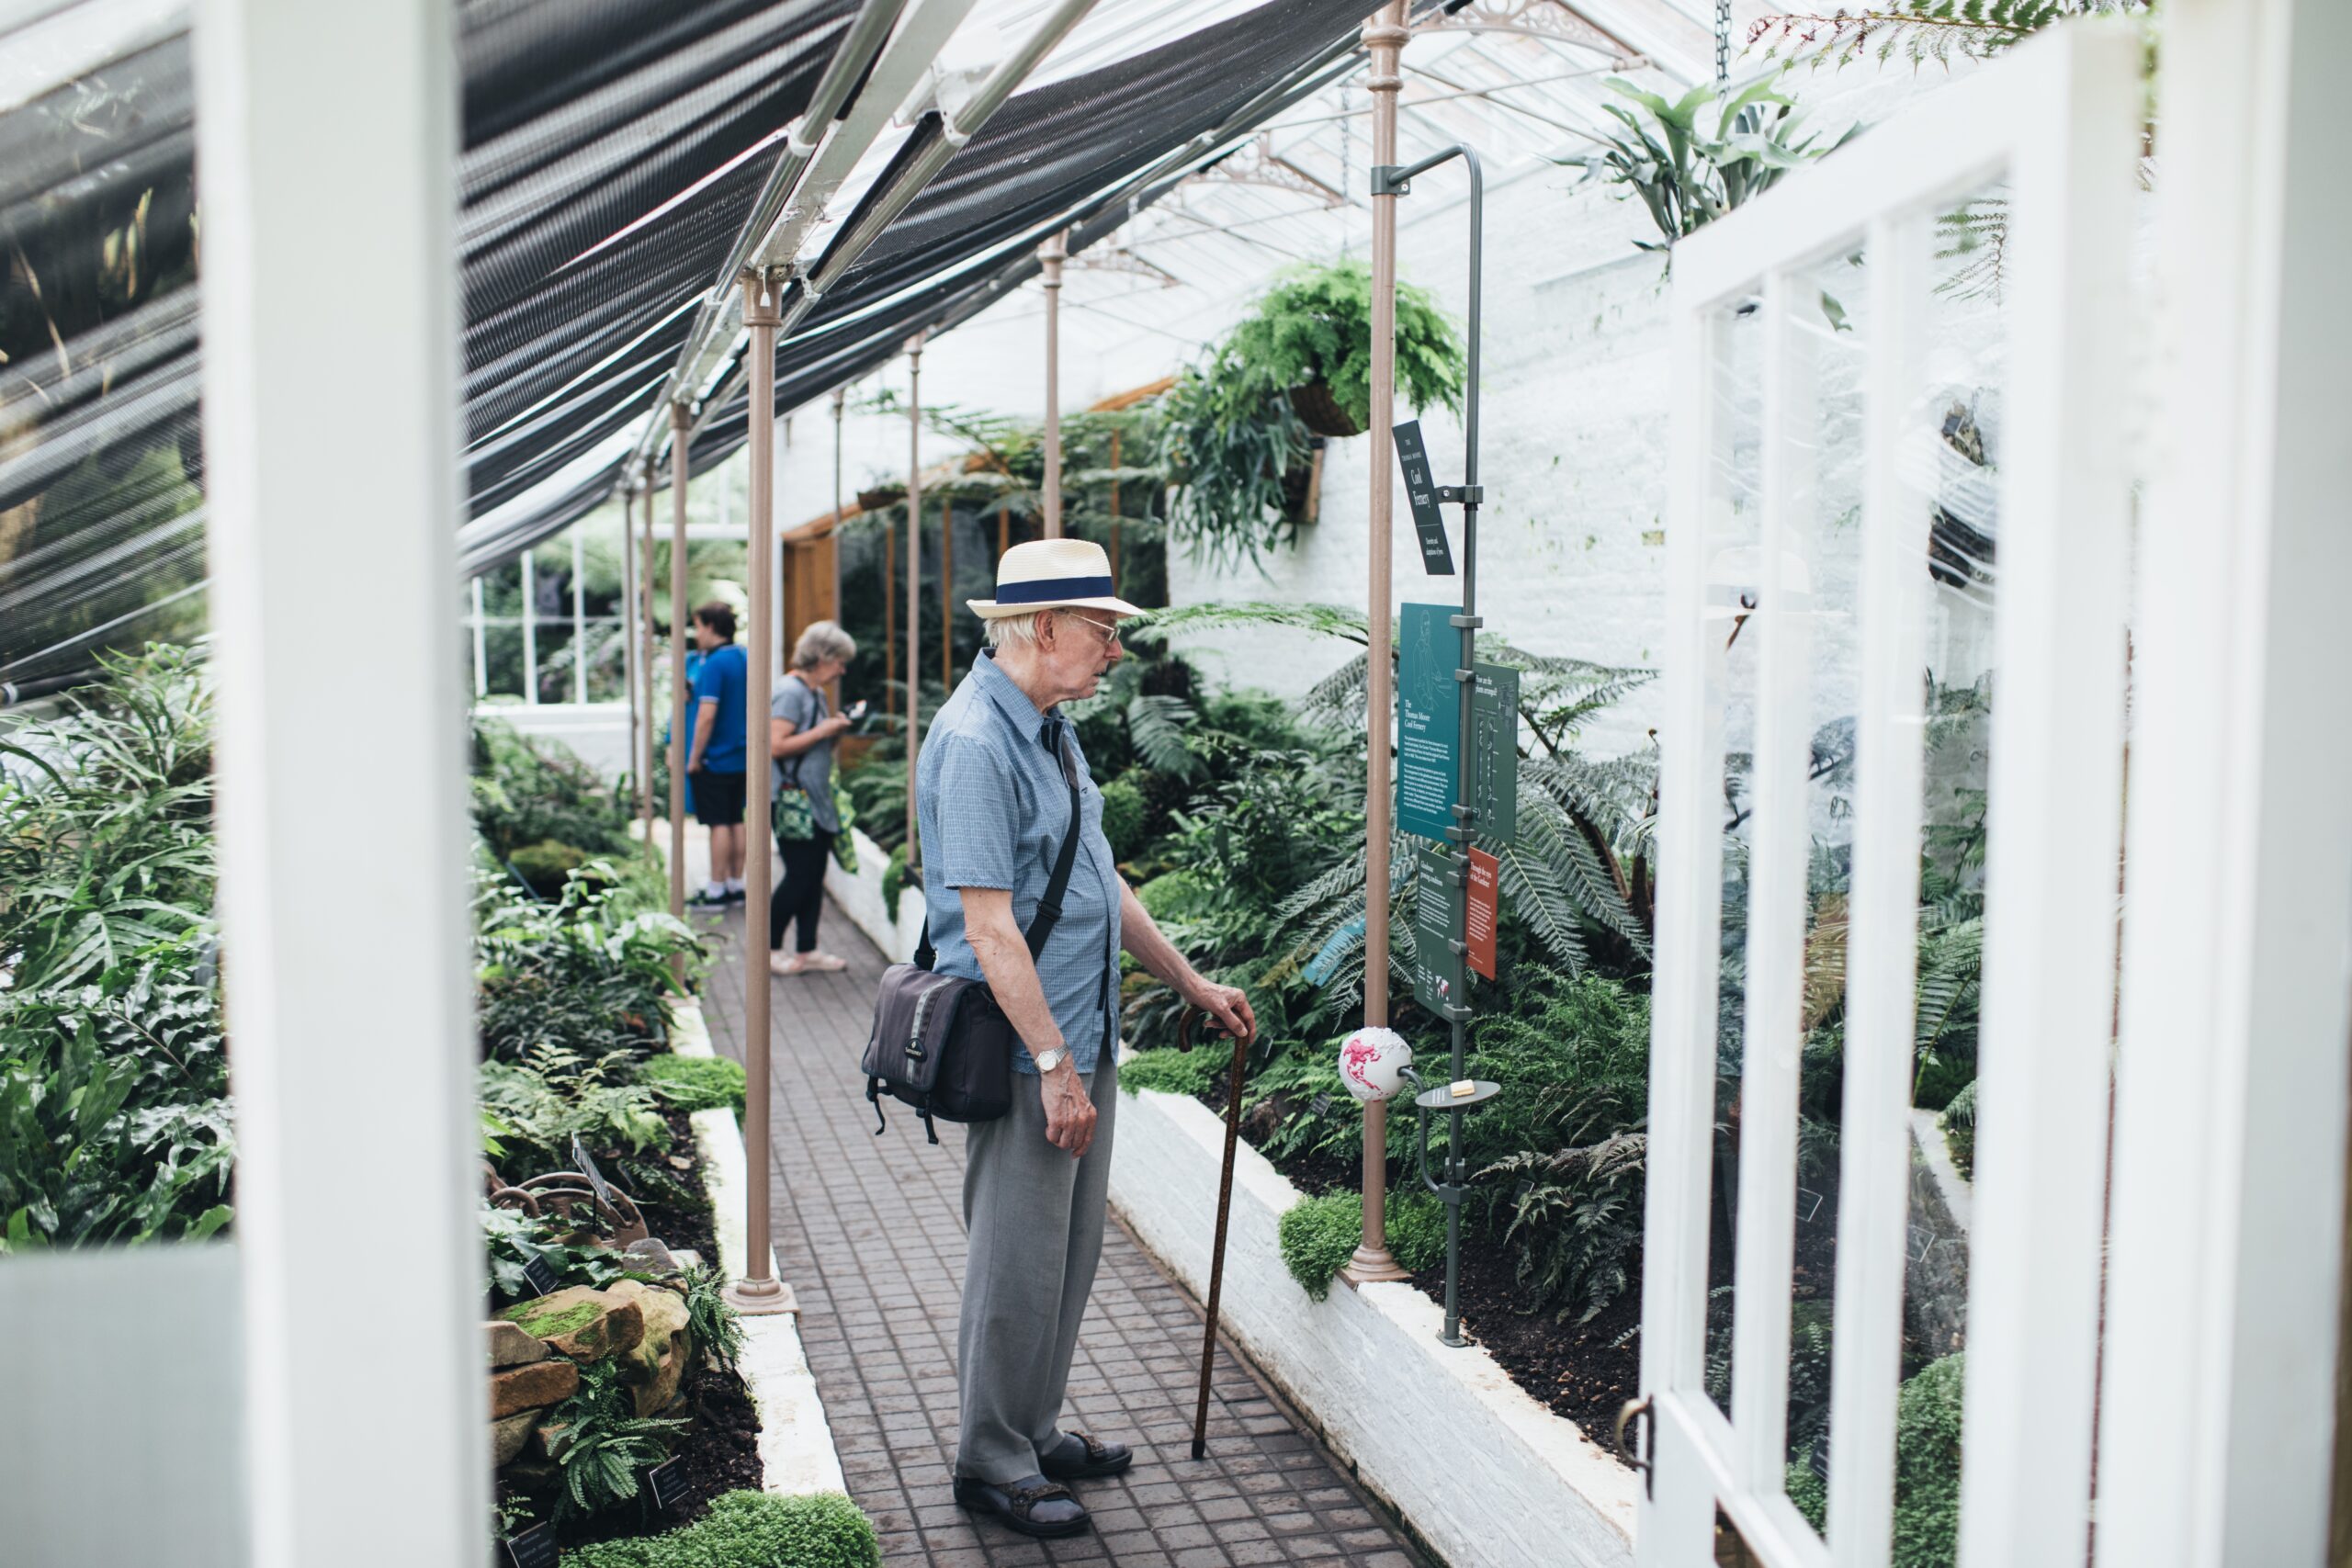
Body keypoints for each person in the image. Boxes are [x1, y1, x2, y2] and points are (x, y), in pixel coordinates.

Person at [918, 538, 1256, 1540]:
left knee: (1062, 1259)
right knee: (1015, 1262)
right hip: (1030, 1051)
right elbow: (986, 928)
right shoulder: (977, 742)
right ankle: (990, 1461)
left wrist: (1188, 980)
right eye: (1103, 632)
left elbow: (1095, 880)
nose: (1113, 652)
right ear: (1046, 628)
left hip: (1082, 1034)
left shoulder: (1049, 730)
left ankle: (1034, 1430)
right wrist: (1056, 1067)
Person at [768, 620, 859, 976]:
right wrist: (824, 729)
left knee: (814, 874)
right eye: (839, 661)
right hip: (793, 800)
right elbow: (775, 745)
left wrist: (832, 731)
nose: (842, 669)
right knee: (799, 876)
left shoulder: (815, 694)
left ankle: (807, 949)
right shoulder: (790, 692)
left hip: (814, 799)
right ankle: (771, 949)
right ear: (823, 656)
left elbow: (812, 746)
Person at [684, 602, 747, 906]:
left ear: (711, 627)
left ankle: (716, 888)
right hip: (742, 755)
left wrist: (694, 757)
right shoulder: (744, 657)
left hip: (716, 758)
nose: (696, 635)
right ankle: (736, 884)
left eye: (698, 627)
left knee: (718, 823)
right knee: (737, 819)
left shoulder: (714, 664)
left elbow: (707, 715)